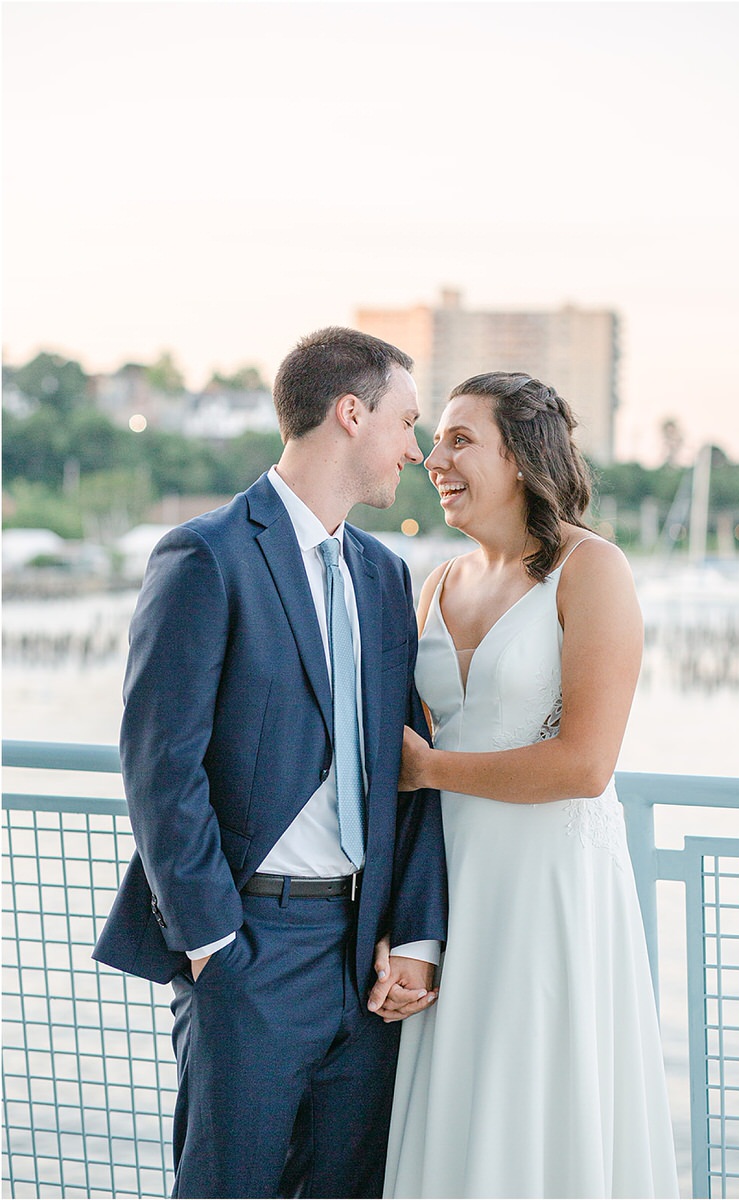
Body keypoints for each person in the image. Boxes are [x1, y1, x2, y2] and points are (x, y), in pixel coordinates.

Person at [93, 327, 448, 1199]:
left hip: (363, 959)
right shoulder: (206, 554)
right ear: (351, 412)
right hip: (249, 947)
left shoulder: (383, 574)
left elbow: (407, 768)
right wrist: (213, 943)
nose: (415, 448)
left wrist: (411, 934)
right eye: (407, 422)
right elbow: (160, 763)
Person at [379, 372, 679, 1199]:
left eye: (460, 440)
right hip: (454, 885)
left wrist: (430, 770)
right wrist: (408, 933)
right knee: (462, 1104)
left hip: (550, 885)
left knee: (541, 1092)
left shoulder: (591, 569)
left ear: (520, 455)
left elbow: (585, 764)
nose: (433, 458)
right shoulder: (438, 583)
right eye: (434, 440)